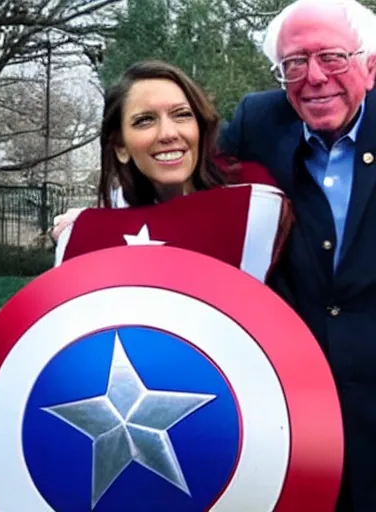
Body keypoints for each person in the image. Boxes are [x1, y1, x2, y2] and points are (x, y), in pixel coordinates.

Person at [219, 0, 376, 510]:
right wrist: (104, 218)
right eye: (294, 63)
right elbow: (187, 189)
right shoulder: (258, 121)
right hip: (293, 399)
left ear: (369, 67)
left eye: (332, 57)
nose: (313, 77)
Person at [53, 60, 292, 284]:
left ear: (200, 127)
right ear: (121, 146)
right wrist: (84, 229)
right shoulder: (109, 215)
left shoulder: (255, 199)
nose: (168, 133)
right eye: (145, 121)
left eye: (182, 115)